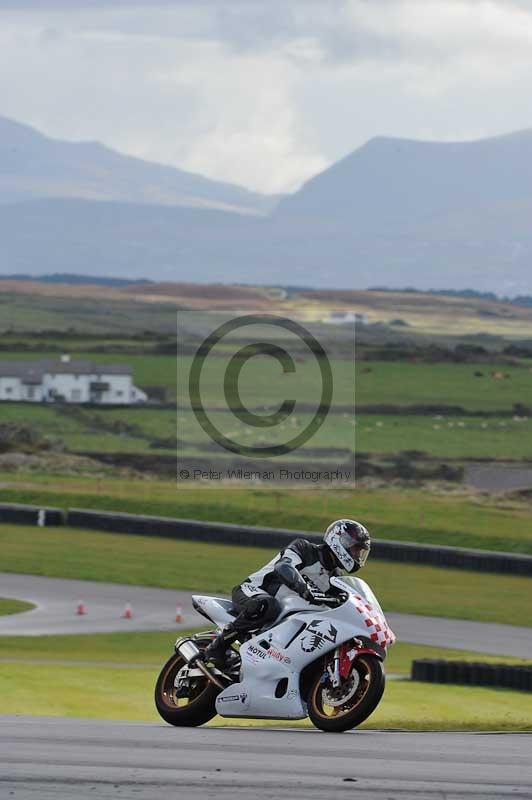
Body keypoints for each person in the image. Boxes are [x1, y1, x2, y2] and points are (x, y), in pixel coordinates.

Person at [202, 518, 370, 665]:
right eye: (355, 549)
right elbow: (284, 566)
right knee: (266, 605)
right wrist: (303, 588)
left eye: (359, 552)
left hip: (285, 614)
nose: (356, 555)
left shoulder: (335, 578)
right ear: (339, 540)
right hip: (253, 591)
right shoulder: (304, 548)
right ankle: (217, 647)